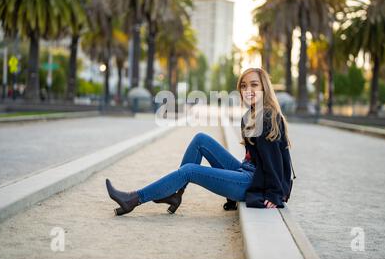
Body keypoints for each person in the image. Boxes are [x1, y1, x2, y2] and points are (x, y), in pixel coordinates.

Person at [105, 67, 295, 216]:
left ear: (264, 88)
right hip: (247, 171)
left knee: (189, 171)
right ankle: (174, 194)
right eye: (244, 86)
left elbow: (276, 162)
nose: (248, 90)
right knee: (200, 140)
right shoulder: (250, 115)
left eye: (254, 85)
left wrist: (274, 194)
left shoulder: (268, 117)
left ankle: (134, 199)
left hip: (253, 182)